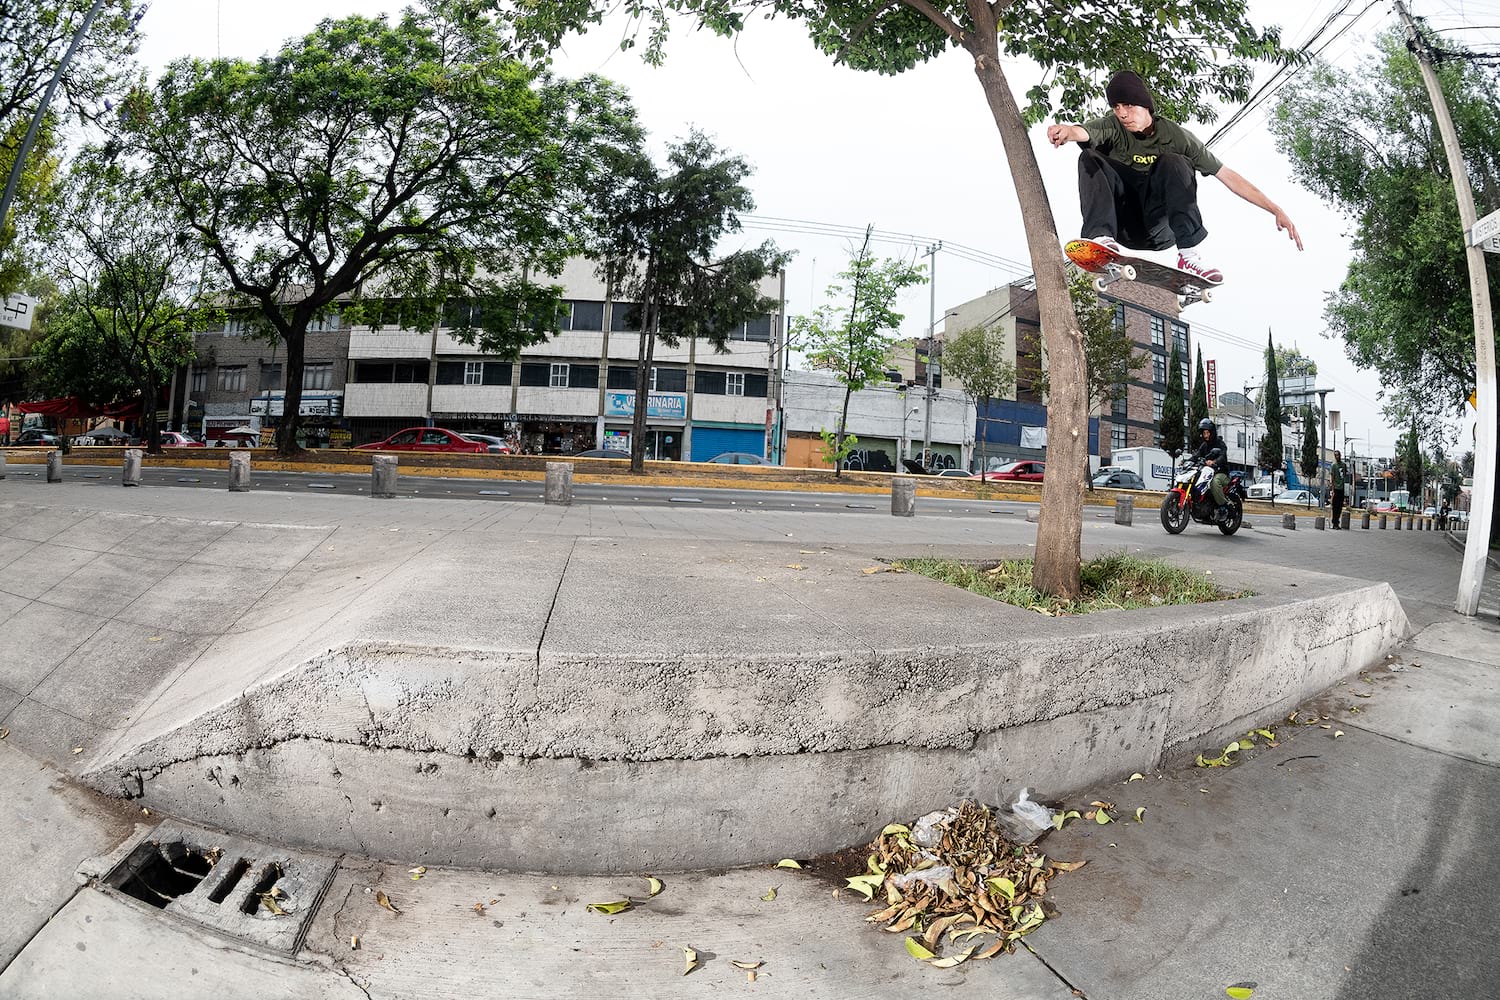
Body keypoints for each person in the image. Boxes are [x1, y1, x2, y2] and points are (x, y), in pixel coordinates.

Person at [1047, 70, 1303, 281]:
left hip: (1160, 227)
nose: (1122, 113)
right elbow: (1084, 132)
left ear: (1145, 105)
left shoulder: (1176, 136)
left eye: (1128, 105)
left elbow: (1228, 176)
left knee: (1175, 162)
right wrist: (1068, 132)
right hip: (1124, 224)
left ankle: (1189, 255)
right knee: (1090, 157)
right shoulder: (1112, 126)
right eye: (1116, 107)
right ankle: (1100, 238)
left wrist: (1275, 208)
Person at [1191, 418, 1230, 519]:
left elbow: (1222, 456)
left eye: (1208, 432)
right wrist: (1188, 461)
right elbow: (1197, 455)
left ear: (1212, 432)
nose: (1206, 435)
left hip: (1221, 472)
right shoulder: (1204, 445)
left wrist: (1214, 462)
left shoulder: (1220, 443)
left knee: (1214, 483)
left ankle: (1223, 507)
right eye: (1204, 433)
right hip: (1207, 472)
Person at [1329, 450, 1349, 528]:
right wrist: (1332, 488)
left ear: (1340, 455)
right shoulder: (1333, 465)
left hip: (1341, 488)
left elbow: (1344, 475)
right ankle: (1335, 523)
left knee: (1340, 506)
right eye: (1336, 455)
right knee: (1335, 506)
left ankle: (1337, 521)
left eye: (1338, 455)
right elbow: (1332, 477)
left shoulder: (1343, 465)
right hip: (1336, 488)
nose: (1337, 456)